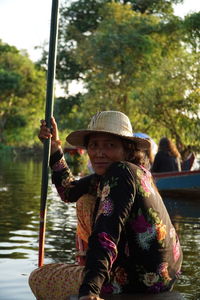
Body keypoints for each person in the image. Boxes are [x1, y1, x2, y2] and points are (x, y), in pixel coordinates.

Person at [29, 111, 182, 300]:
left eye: (110, 145)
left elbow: (105, 234)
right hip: (166, 277)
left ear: (127, 150)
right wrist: (54, 147)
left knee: (39, 277)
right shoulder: (131, 173)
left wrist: (90, 291)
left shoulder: (120, 172)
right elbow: (68, 191)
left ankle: (99, 278)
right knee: (85, 198)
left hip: (138, 281)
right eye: (94, 145)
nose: (99, 153)